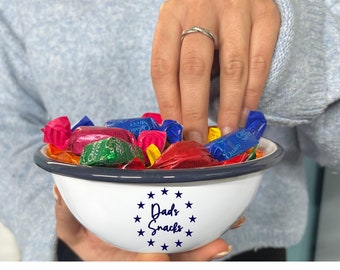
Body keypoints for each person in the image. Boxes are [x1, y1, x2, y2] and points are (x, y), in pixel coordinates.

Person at [0, 0, 339, 262]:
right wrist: (54, 230)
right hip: (81, 247)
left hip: (248, 251)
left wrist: (286, 42)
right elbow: (9, 123)